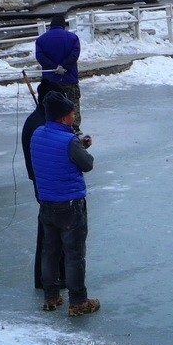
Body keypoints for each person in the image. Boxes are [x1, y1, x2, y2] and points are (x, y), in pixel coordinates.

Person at [31, 91, 99, 316]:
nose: (74, 117)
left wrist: (77, 145)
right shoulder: (69, 141)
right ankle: (78, 301)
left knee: (50, 251)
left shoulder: (38, 134)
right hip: (70, 205)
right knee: (74, 254)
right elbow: (87, 164)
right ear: (62, 118)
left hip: (47, 204)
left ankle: (51, 296)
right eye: (72, 114)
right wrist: (79, 146)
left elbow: (54, 154)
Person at [22, 80, 71, 290]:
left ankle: (54, 276)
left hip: (45, 183)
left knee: (51, 232)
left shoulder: (41, 120)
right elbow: (50, 155)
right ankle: (49, 279)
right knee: (51, 234)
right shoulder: (39, 125)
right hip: (47, 185)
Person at [35, 13, 82, 129]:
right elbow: (74, 54)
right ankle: (74, 129)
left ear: (50, 26)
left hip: (50, 81)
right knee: (72, 105)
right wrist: (63, 67)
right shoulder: (73, 38)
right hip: (69, 79)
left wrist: (54, 67)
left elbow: (40, 57)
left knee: (52, 108)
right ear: (63, 25)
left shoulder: (41, 40)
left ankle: (52, 130)